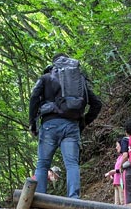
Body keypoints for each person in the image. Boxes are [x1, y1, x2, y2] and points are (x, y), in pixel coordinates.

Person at [28, 53, 102, 199]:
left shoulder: (46, 78)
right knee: (72, 164)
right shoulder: (79, 80)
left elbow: (34, 97)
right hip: (72, 126)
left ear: (53, 63)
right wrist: (85, 121)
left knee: (43, 164)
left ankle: (40, 198)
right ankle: (74, 198)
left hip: (49, 125)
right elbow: (97, 104)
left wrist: (32, 123)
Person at [104, 137, 128, 205]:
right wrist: (112, 175)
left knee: (122, 201)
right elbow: (117, 169)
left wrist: (114, 171)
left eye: (117, 145)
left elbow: (123, 169)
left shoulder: (124, 157)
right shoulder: (119, 157)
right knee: (116, 203)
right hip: (116, 182)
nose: (116, 147)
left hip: (121, 182)